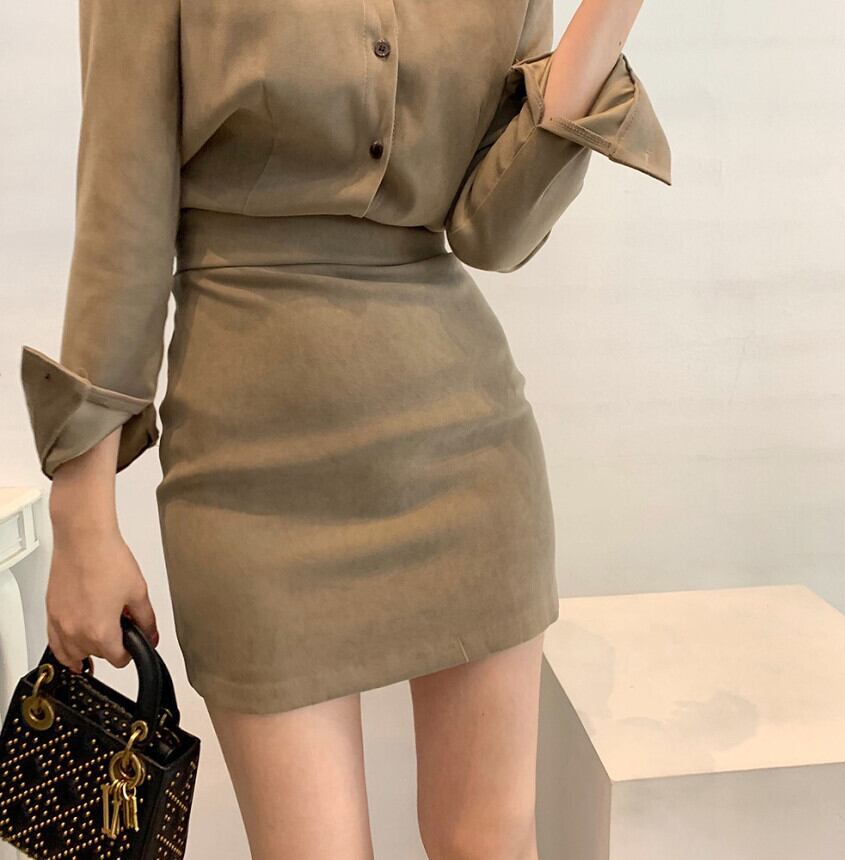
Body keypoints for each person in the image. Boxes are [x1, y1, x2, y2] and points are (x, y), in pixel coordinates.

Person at [19, 0, 670, 857]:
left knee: (490, 843)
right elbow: (122, 212)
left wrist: (610, 15)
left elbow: (493, 233)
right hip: (248, 477)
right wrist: (82, 512)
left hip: (468, 452)